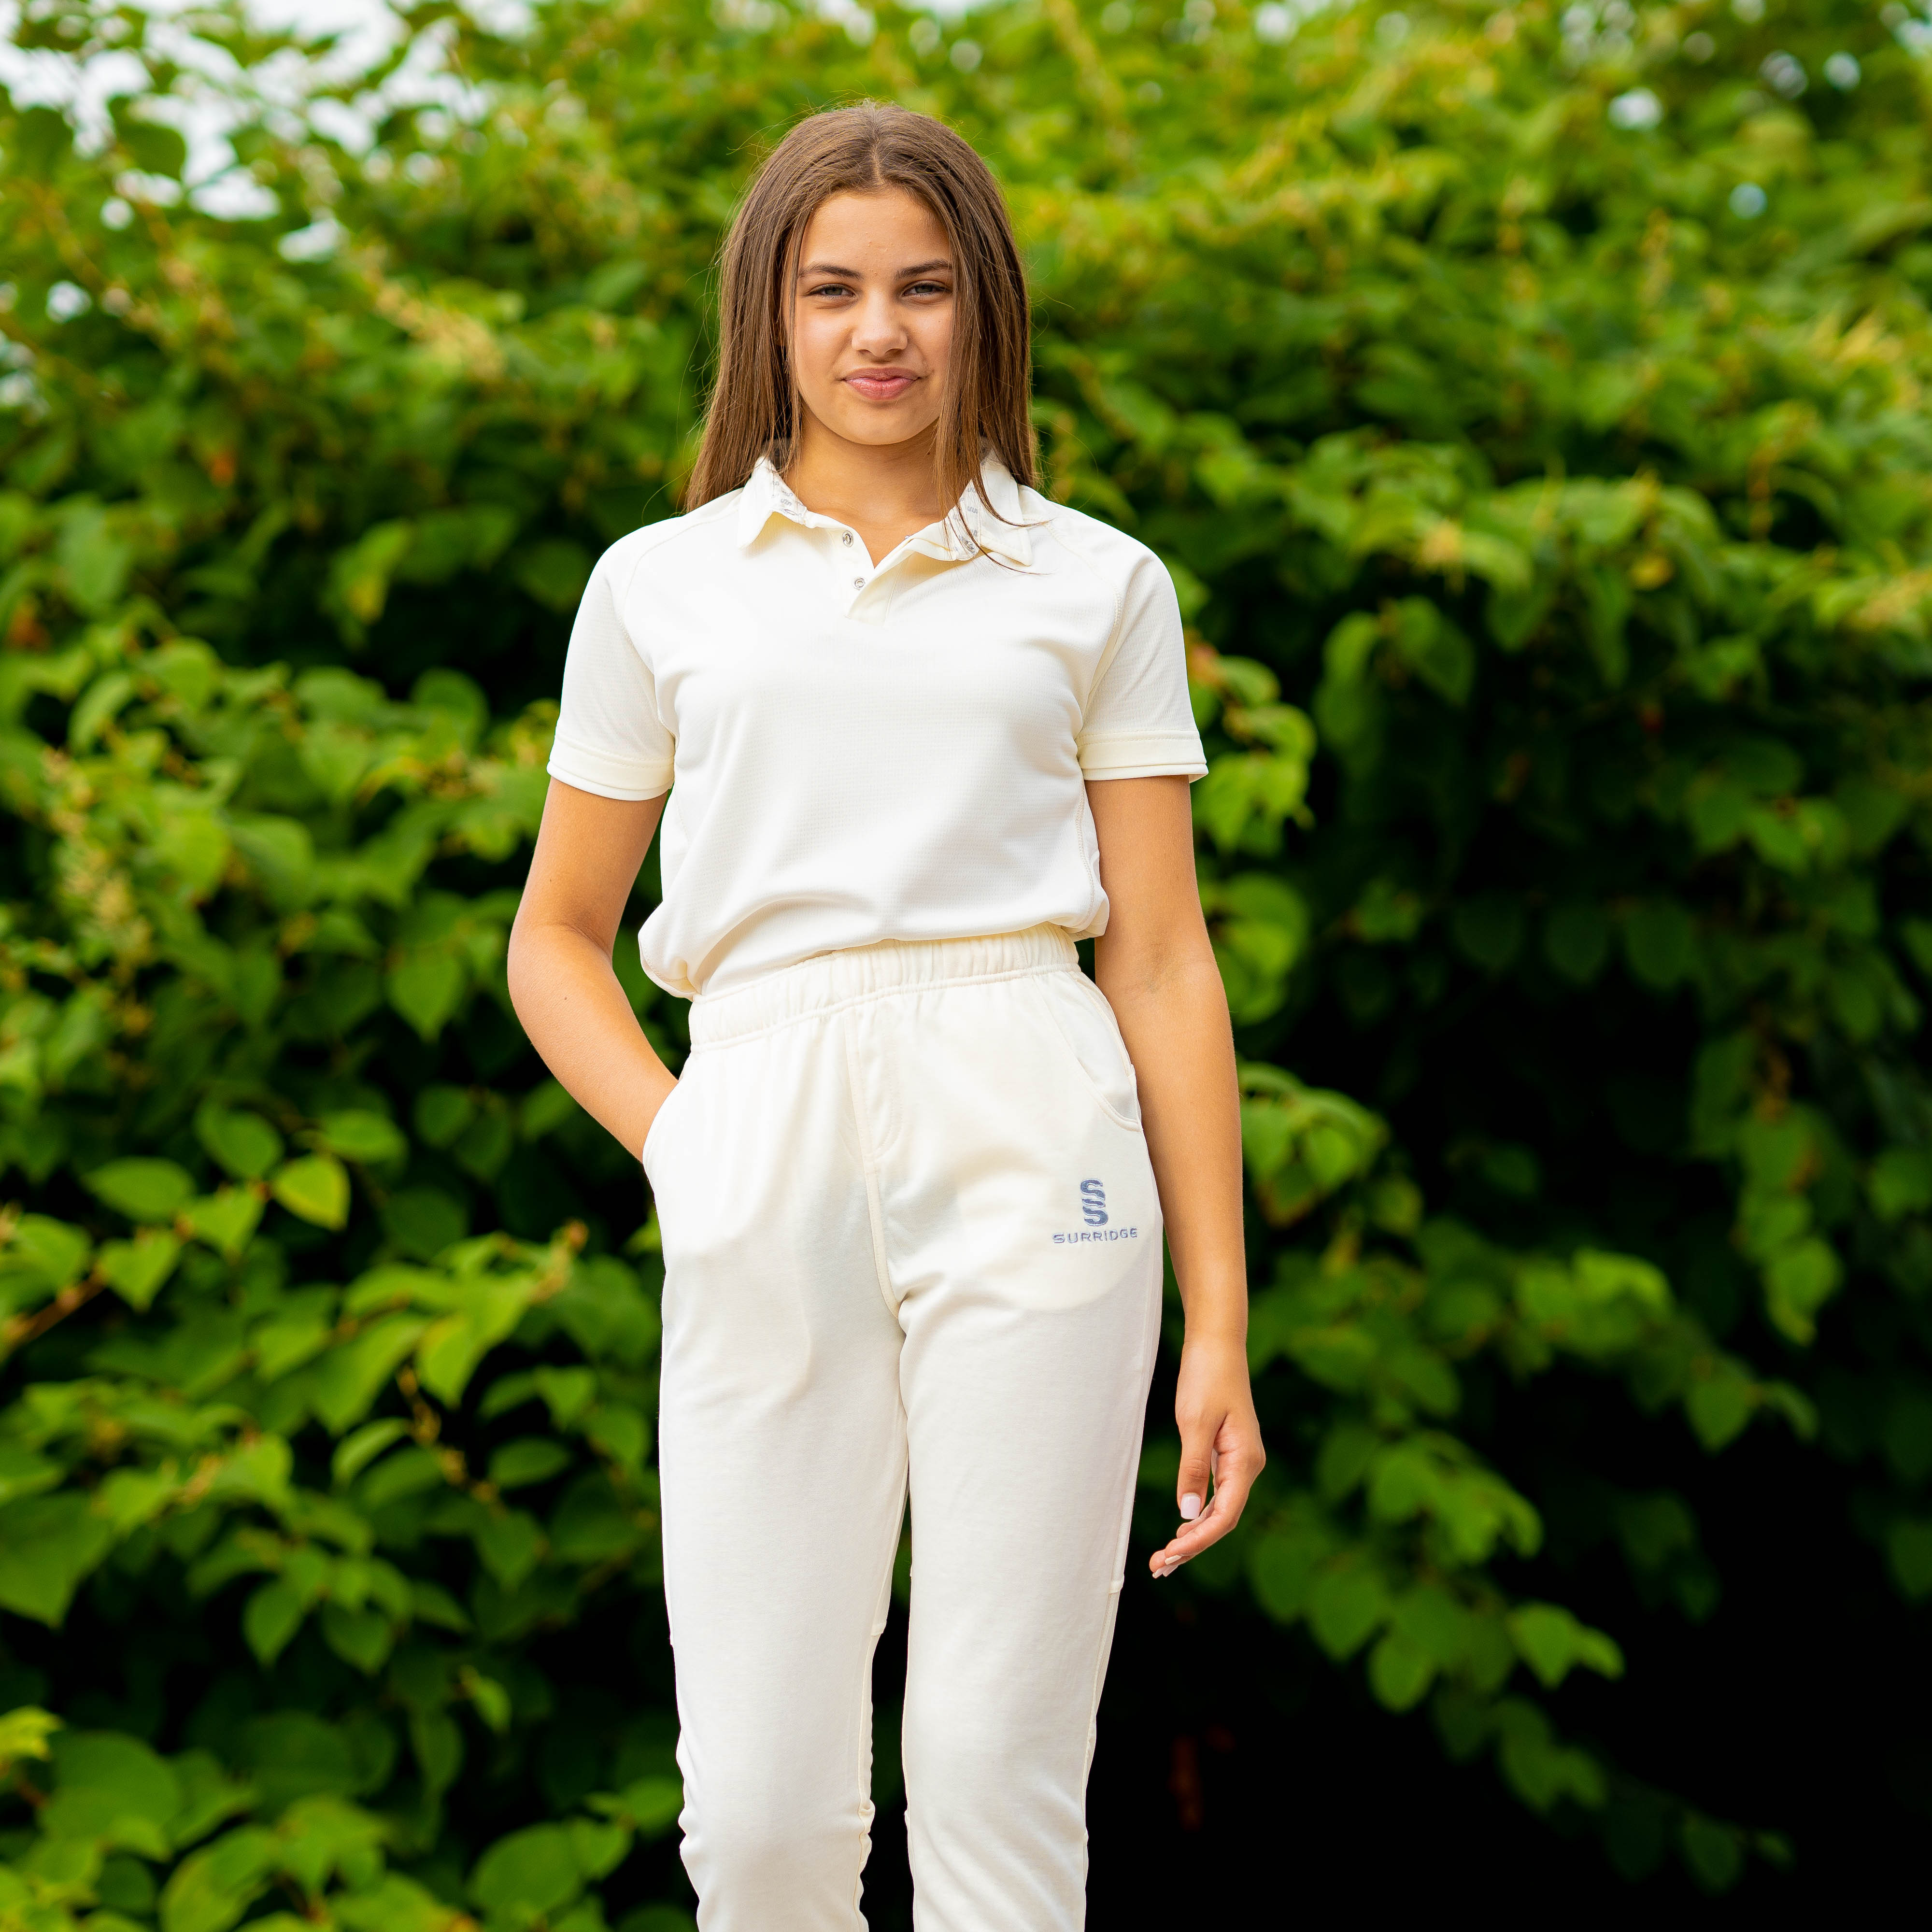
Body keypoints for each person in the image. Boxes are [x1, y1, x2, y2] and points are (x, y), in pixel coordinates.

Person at [506, 100, 1263, 1932]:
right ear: (767, 313)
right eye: (831, 289)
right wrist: (689, 1145)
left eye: (924, 288)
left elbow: (1162, 960)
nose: (879, 332)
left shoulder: (1095, 582)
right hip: (759, 1125)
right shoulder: (661, 586)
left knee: (997, 1781)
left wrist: (1222, 1324)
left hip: (1035, 1126)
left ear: (983, 305)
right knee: (763, 1819)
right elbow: (556, 939)